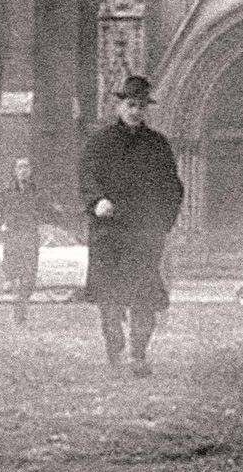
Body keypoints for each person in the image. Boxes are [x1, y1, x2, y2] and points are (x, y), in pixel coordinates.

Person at [79, 75, 184, 377]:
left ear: (146, 109)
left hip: (142, 235)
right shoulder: (99, 142)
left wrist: (162, 222)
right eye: (130, 104)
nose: (135, 111)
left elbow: (173, 188)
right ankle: (116, 352)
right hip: (109, 233)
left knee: (144, 297)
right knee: (109, 298)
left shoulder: (158, 145)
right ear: (119, 105)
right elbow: (86, 177)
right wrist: (97, 200)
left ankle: (138, 355)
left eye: (140, 106)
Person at [0, 157, 49, 324]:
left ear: (31, 170)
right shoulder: (6, 191)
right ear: (15, 170)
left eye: (26, 167)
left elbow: (44, 210)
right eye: (20, 167)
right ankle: (19, 311)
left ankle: (21, 304)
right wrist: (0, 228)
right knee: (15, 275)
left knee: (29, 278)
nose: (23, 170)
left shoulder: (37, 191)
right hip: (13, 237)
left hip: (30, 237)